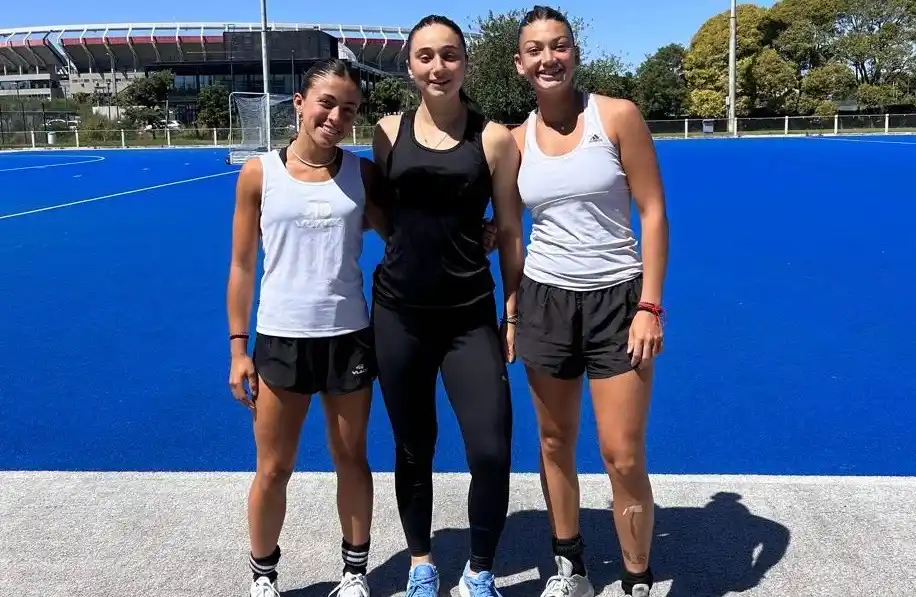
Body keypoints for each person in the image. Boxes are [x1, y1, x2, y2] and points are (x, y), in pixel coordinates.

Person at [510, 6, 670, 597]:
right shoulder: (514, 140)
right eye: (536, 49)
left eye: (559, 46)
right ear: (520, 62)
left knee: (621, 454)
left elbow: (652, 212)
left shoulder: (618, 116)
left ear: (574, 52)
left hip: (618, 302)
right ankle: (570, 567)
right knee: (554, 443)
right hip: (545, 301)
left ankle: (636, 577)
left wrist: (650, 304)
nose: (548, 58)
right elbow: (503, 228)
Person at [369, 13, 526, 597]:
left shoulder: (493, 138)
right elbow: (382, 214)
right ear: (410, 65)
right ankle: (421, 563)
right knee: (414, 446)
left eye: (450, 55)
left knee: (490, 447)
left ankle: (480, 571)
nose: (438, 66)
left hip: (469, 317)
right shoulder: (386, 132)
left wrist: (511, 310)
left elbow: (510, 231)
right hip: (399, 314)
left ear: (466, 62)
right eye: (426, 56)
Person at [226, 58, 390, 597]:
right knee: (273, 468)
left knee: (352, 459)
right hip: (281, 338)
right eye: (327, 102)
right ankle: (264, 576)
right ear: (300, 102)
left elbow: (406, 236)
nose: (336, 116)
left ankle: (354, 572)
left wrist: (471, 233)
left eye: (349, 109)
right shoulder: (259, 173)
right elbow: (243, 265)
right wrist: (238, 347)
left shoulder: (362, 174)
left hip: (348, 338)